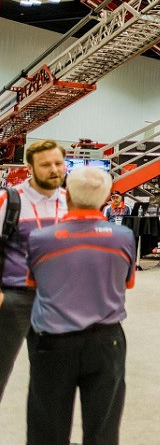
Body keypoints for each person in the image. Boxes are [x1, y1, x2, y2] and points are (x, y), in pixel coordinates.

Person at [25, 166, 135, 445]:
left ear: (67, 196)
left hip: (53, 342)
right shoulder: (123, 237)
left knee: (46, 431)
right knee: (103, 432)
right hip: (106, 341)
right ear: (106, 198)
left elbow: (32, 283)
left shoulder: (40, 239)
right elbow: (128, 283)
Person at [0, 139, 68, 402]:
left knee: (51, 379)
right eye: (45, 165)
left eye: (58, 163)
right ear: (29, 168)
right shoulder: (10, 200)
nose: (54, 170)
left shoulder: (70, 200)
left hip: (55, 300)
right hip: (14, 298)